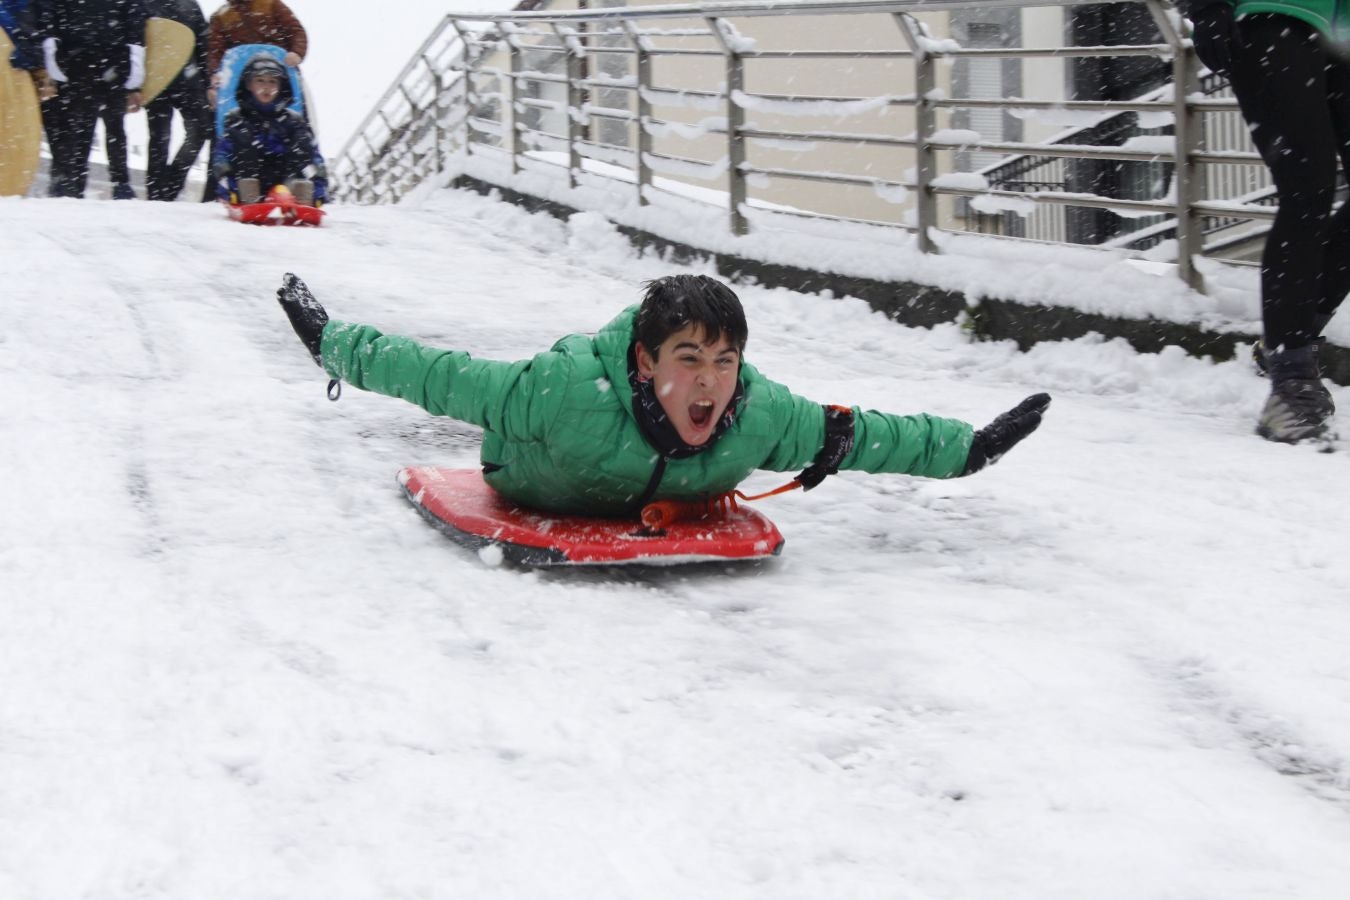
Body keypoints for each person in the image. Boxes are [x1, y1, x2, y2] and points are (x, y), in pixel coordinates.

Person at [275, 273, 1051, 517]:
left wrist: (969, 449)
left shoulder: (757, 411)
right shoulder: (563, 389)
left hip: (632, 491)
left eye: (725, 360)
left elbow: (859, 436)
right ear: (645, 362)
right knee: (488, 415)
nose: (710, 379)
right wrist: (330, 341)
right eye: (689, 358)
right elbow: (438, 375)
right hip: (532, 467)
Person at [1184, 0, 1348, 443]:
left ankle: (1292, 334)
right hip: (1270, 15)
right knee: (1307, 189)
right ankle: (1291, 382)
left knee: (1310, 192)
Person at [36, 0, 147, 199]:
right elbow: (135, 30)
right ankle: (103, 184)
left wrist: (54, 61)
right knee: (94, 126)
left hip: (84, 59)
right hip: (105, 61)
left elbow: (51, 19)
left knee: (80, 125)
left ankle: (70, 182)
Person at [201, 0, 307, 201]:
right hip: (244, 81)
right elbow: (215, 50)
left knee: (296, 129)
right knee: (233, 132)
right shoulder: (223, 15)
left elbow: (296, 31)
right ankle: (226, 188)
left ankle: (298, 184)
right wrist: (215, 78)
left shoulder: (270, 4)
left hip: (278, 76)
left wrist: (296, 53)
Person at [212, 54, 325, 205]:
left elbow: (314, 159)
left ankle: (300, 195)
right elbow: (222, 158)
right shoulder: (236, 121)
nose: (267, 87)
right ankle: (247, 195)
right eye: (260, 81)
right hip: (247, 183)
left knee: (302, 141)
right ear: (249, 84)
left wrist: (318, 189)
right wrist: (228, 186)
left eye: (272, 82)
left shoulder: (293, 122)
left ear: (280, 87)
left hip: (286, 182)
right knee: (242, 137)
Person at [143, 0, 211, 201]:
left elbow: (202, 45)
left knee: (201, 129)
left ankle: (171, 184)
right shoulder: (144, 4)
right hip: (157, 79)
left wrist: (206, 83)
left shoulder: (190, 5)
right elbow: (137, 40)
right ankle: (155, 193)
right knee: (159, 137)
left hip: (188, 81)